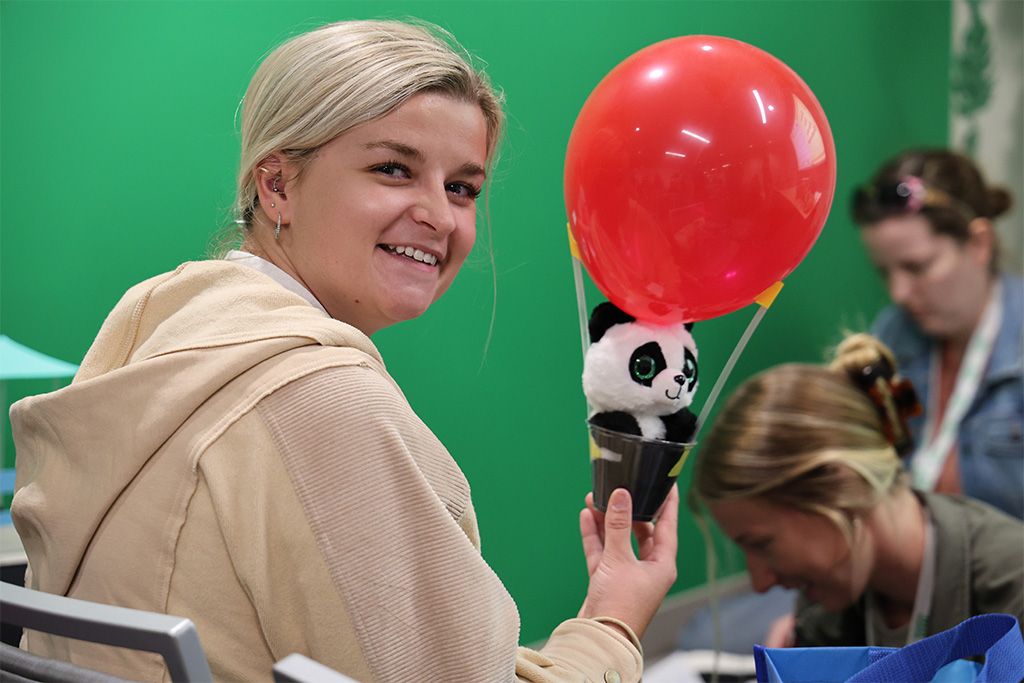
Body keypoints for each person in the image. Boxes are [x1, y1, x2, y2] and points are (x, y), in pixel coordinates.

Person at [9, 20, 679, 682]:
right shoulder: (321, 402)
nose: (441, 217)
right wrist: (612, 621)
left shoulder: (162, 323)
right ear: (276, 186)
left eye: (461, 188)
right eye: (393, 169)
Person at [691, 333, 1023, 648]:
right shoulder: (825, 609)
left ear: (842, 485)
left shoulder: (1012, 596)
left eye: (762, 544)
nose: (760, 583)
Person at [851, 149, 1023, 520]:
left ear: (978, 244)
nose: (898, 293)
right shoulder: (891, 334)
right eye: (885, 272)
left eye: (917, 267)